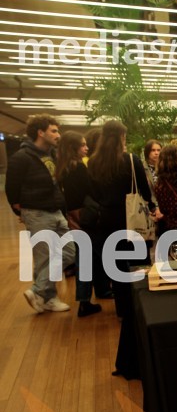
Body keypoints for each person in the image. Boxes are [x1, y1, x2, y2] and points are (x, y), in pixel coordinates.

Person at [87, 120, 157, 376]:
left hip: (107, 219)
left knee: (116, 269)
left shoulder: (93, 163)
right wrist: (151, 207)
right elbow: (144, 190)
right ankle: (139, 309)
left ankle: (123, 310)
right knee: (138, 266)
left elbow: (93, 193)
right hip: (131, 220)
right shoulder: (129, 160)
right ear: (121, 137)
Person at [6, 113, 75, 313]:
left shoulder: (52, 155)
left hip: (56, 210)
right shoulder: (22, 157)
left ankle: (38, 291)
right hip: (36, 212)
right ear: (40, 132)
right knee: (44, 257)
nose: (58, 135)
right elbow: (12, 188)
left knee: (70, 251)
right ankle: (48, 298)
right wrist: (19, 211)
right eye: (54, 131)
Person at [56, 130, 102, 317]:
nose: (86, 148)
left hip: (72, 217)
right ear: (72, 148)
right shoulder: (79, 168)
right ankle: (85, 301)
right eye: (82, 145)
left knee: (84, 258)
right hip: (85, 217)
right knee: (89, 258)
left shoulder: (63, 168)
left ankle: (85, 299)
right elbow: (91, 191)